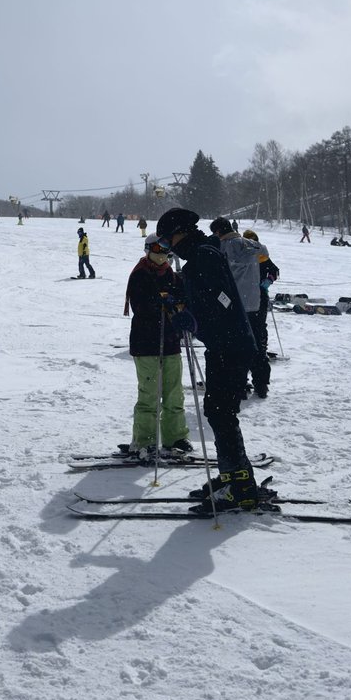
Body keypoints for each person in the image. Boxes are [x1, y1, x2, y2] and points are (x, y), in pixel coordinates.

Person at [155, 208, 259, 513]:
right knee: (218, 411)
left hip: (232, 346)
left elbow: (220, 301)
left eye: (167, 239)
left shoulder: (205, 255)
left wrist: (193, 316)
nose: (166, 246)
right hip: (224, 345)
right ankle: (232, 477)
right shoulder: (199, 256)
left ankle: (240, 487)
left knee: (221, 412)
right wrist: (182, 304)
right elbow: (205, 296)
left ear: (181, 232)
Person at [123, 233, 191, 459]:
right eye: (157, 249)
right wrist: (159, 303)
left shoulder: (173, 276)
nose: (161, 254)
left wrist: (178, 305)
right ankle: (145, 441)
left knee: (174, 393)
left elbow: (183, 299)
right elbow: (140, 307)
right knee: (150, 394)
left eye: (165, 250)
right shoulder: (140, 274)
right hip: (146, 343)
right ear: (148, 249)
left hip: (171, 341)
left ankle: (175, 437)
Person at [209, 217, 272, 401]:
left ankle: (239, 385)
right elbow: (265, 254)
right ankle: (261, 384)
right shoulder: (252, 245)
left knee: (235, 348)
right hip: (254, 302)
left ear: (218, 232)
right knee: (257, 345)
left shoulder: (221, 247)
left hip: (233, 305)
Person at [242, 229, 280, 395]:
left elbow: (274, 271)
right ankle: (244, 382)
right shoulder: (240, 256)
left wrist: (267, 281)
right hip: (243, 300)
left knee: (257, 340)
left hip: (258, 299)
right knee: (246, 341)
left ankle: (260, 383)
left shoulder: (262, 256)